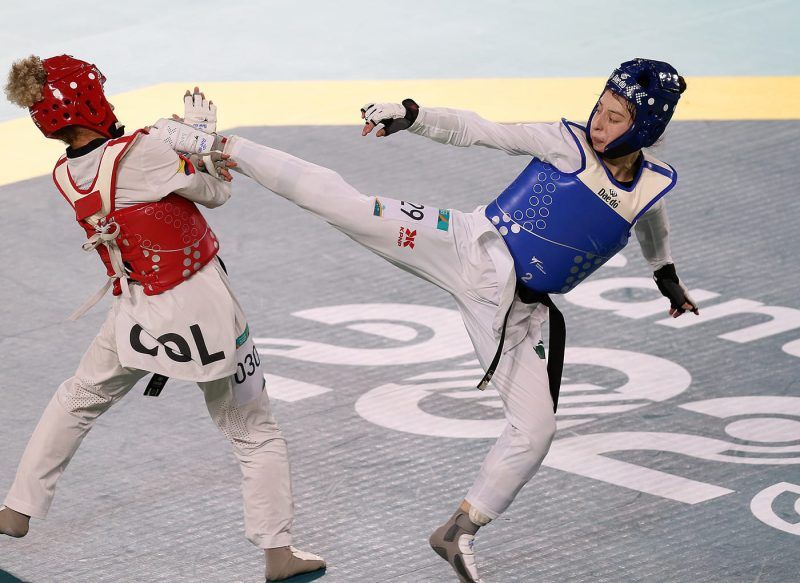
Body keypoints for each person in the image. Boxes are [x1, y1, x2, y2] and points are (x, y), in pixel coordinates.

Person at [206, 58, 698, 582]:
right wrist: (412, 115)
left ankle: (458, 530)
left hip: (515, 313)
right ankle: (225, 146)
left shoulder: (653, 183)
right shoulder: (567, 144)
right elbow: (480, 130)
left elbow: (651, 221)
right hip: (466, 247)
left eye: (616, 118)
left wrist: (664, 273)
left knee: (536, 430)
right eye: (600, 108)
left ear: (645, 129)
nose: (599, 122)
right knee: (347, 205)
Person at [0, 55, 325, 582]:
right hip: (202, 305)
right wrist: (199, 141)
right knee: (253, 430)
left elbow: (130, 175)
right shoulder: (144, 151)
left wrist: (175, 148)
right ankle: (278, 552)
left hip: (136, 308)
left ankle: (18, 507)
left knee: (77, 398)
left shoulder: (66, 174)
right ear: (88, 101)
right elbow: (217, 193)